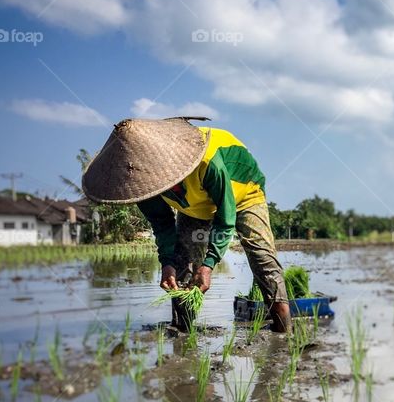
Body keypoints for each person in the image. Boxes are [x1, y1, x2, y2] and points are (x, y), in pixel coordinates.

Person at [82, 117, 292, 331]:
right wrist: (167, 263)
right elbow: (162, 224)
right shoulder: (140, 185)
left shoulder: (207, 162)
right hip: (194, 206)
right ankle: (182, 329)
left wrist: (209, 264)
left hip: (246, 193)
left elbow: (225, 219)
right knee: (183, 262)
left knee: (262, 256)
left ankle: (283, 328)